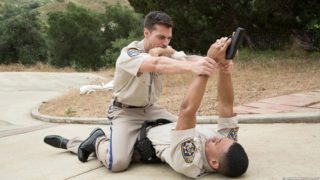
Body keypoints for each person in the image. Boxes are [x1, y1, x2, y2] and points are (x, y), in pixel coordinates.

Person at [44, 38, 249, 178]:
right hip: (151, 115)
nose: (216, 137)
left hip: (144, 136)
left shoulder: (190, 160)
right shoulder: (228, 144)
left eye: (217, 142)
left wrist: (209, 64)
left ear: (213, 163)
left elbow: (187, 110)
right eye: (222, 137)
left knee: (118, 162)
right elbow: (226, 104)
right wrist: (224, 69)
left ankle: (90, 141)